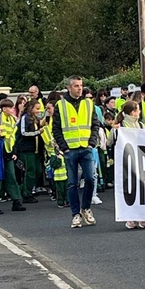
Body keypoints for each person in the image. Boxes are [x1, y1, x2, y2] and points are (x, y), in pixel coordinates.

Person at [52, 75, 101, 229]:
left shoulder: (88, 103)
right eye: (76, 86)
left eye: (80, 85)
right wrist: (64, 146)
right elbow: (56, 128)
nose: (79, 88)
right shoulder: (61, 105)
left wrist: (92, 142)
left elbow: (95, 124)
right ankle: (76, 215)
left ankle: (85, 208)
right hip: (70, 149)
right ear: (69, 87)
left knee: (90, 179)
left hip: (86, 147)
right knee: (72, 183)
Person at [114, 101, 145, 229]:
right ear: (132, 112)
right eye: (138, 110)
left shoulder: (140, 125)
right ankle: (130, 216)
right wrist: (115, 132)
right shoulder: (121, 125)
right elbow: (110, 142)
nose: (139, 112)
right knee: (129, 187)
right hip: (126, 161)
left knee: (142, 187)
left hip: (139, 160)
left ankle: (142, 216)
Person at [16, 99, 46, 204]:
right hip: (27, 149)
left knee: (38, 171)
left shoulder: (35, 118)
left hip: (36, 150)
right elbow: (23, 133)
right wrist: (37, 132)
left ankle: (23, 190)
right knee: (30, 172)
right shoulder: (25, 118)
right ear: (31, 108)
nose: (39, 111)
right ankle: (25, 193)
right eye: (37, 109)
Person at [0, 98, 26, 212]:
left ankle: (16, 201)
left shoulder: (12, 120)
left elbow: (13, 137)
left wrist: (14, 152)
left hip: (8, 152)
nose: (12, 109)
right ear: (4, 109)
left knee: (11, 177)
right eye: (10, 108)